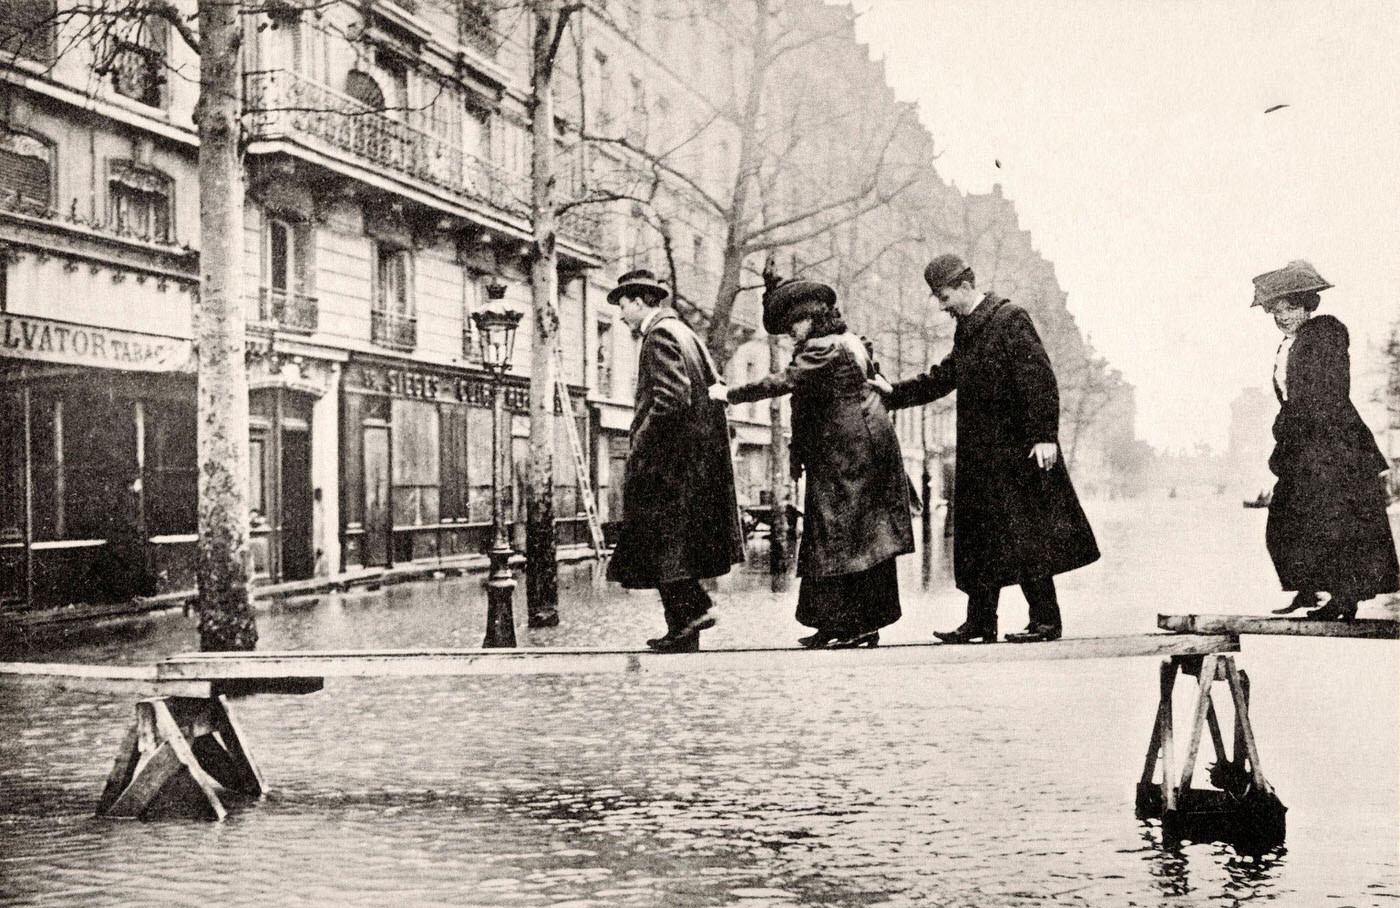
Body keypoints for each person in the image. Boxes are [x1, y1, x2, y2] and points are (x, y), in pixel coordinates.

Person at [872, 253, 1099, 643]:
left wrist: (1044, 436)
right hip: (979, 455)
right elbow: (944, 377)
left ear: (965, 286)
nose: (942, 307)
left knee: (1027, 535)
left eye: (944, 298)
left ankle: (1046, 621)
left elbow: (1040, 379)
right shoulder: (969, 329)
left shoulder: (1010, 319)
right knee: (979, 538)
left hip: (1017, 452)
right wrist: (893, 393)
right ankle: (980, 622)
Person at [711, 278, 914, 648]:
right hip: (856, 452)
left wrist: (731, 394)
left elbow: (784, 383)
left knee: (843, 538)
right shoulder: (849, 342)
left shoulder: (823, 349)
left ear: (812, 317)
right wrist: (799, 457)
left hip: (848, 457)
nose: (791, 334)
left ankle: (855, 625)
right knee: (843, 537)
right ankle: (839, 623)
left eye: (794, 325)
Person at [605, 269, 746, 652]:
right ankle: (684, 631)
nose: (620, 315)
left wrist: (640, 447)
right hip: (691, 463)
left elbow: (670, 399)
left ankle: (696, 610)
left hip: (668, 465)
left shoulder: (660, 336)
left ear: (637, 301)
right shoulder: (687, 334)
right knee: (674, 547)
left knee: (659, 543)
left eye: (622, 305)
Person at [1253, 260, 1398, 620]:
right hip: (1307, 445)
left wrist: (1289, 430)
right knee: (1294, 520)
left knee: (1337, 525)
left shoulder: (1325, 335)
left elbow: (1322, 395)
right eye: (1276, 310)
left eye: (1291, 307)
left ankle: (1341, 599)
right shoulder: (1291, 344)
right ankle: (1311, 589)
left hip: (1333, 446)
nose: (1282, 316)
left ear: (1308, 305)